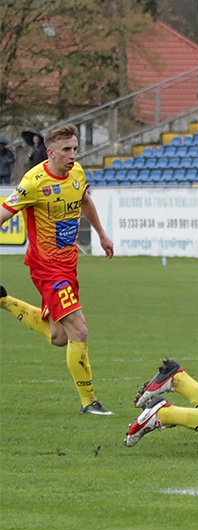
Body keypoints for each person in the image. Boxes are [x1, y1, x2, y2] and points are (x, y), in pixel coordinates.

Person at [0, 123, 115, 415]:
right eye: (66, 150)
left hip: (69, 266)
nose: (73, 155)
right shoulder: (33, 182)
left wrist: (101, 234)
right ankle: (89, 402)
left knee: (59, 337)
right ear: (49, 153)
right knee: (79, 329)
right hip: (47, 269)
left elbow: (84, 199)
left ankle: (4, 300)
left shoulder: (76, 173)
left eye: (75, 149)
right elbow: (3, 213)